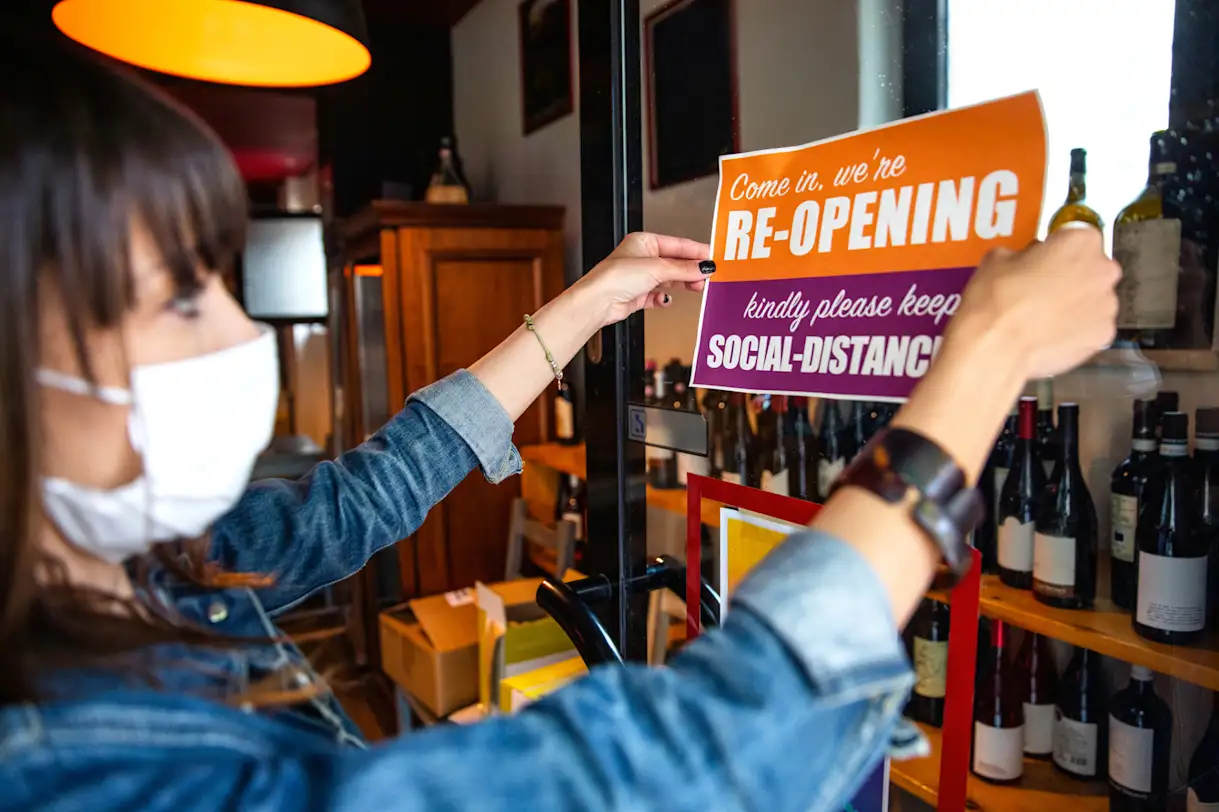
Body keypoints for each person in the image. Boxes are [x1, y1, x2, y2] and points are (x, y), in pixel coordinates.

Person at [0, 34, 1120, 812]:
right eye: (181, 292)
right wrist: (986, 354)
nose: (241, 333)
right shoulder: (85, 776)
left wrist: (589, 299)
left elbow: (371, 490)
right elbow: (691, 759)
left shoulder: (142, 577)